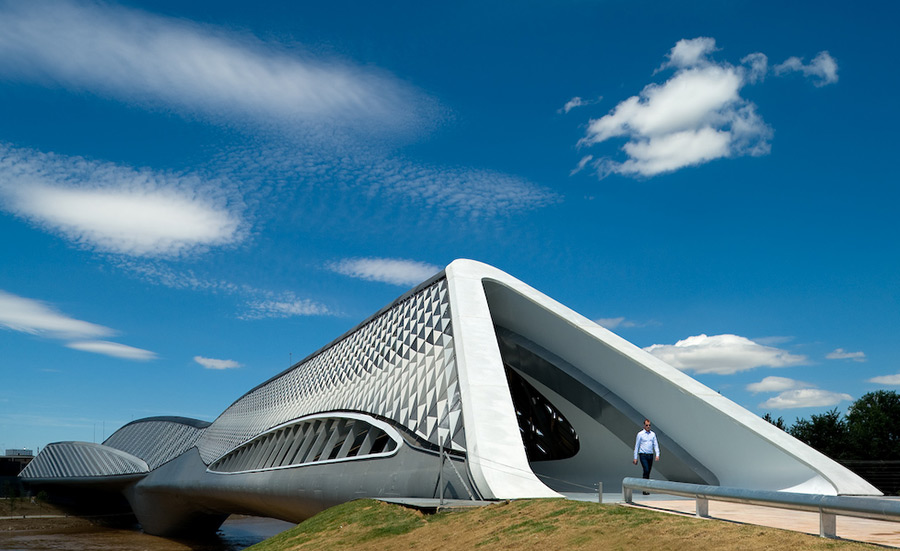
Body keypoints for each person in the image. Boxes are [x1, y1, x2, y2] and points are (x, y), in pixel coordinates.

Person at [633, 419, 659, 494]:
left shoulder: (652, 434)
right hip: (643, 454)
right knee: (646, 470)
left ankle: (645, 488)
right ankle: (644, 489)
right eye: (646, 425)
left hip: (650, 455)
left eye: (649, 425)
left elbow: (655, 444)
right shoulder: (640, 434)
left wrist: (657, 454)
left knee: (648, 472)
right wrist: (635, 458)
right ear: (644, 426)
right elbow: (637, 446)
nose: (648, 427)